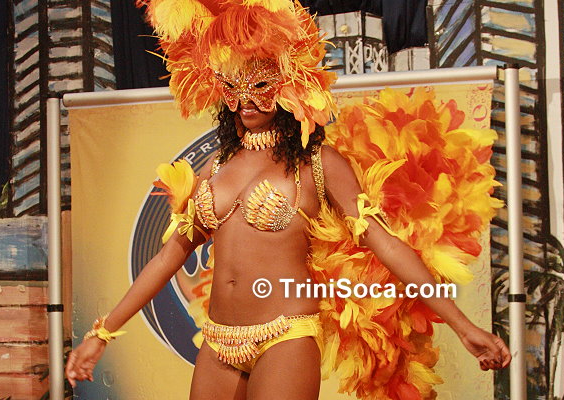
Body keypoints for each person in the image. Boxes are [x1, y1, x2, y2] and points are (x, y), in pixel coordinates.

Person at [65, 1, 511, 399]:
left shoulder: (319, 163)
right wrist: (102, 333)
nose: (245, 99)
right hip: (217, 341)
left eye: (259, 84)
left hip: (285, 338)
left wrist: (462, 325)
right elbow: (168, 256)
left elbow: (387, 245)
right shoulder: (216, 166)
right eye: (233, 86)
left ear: (290, 84)